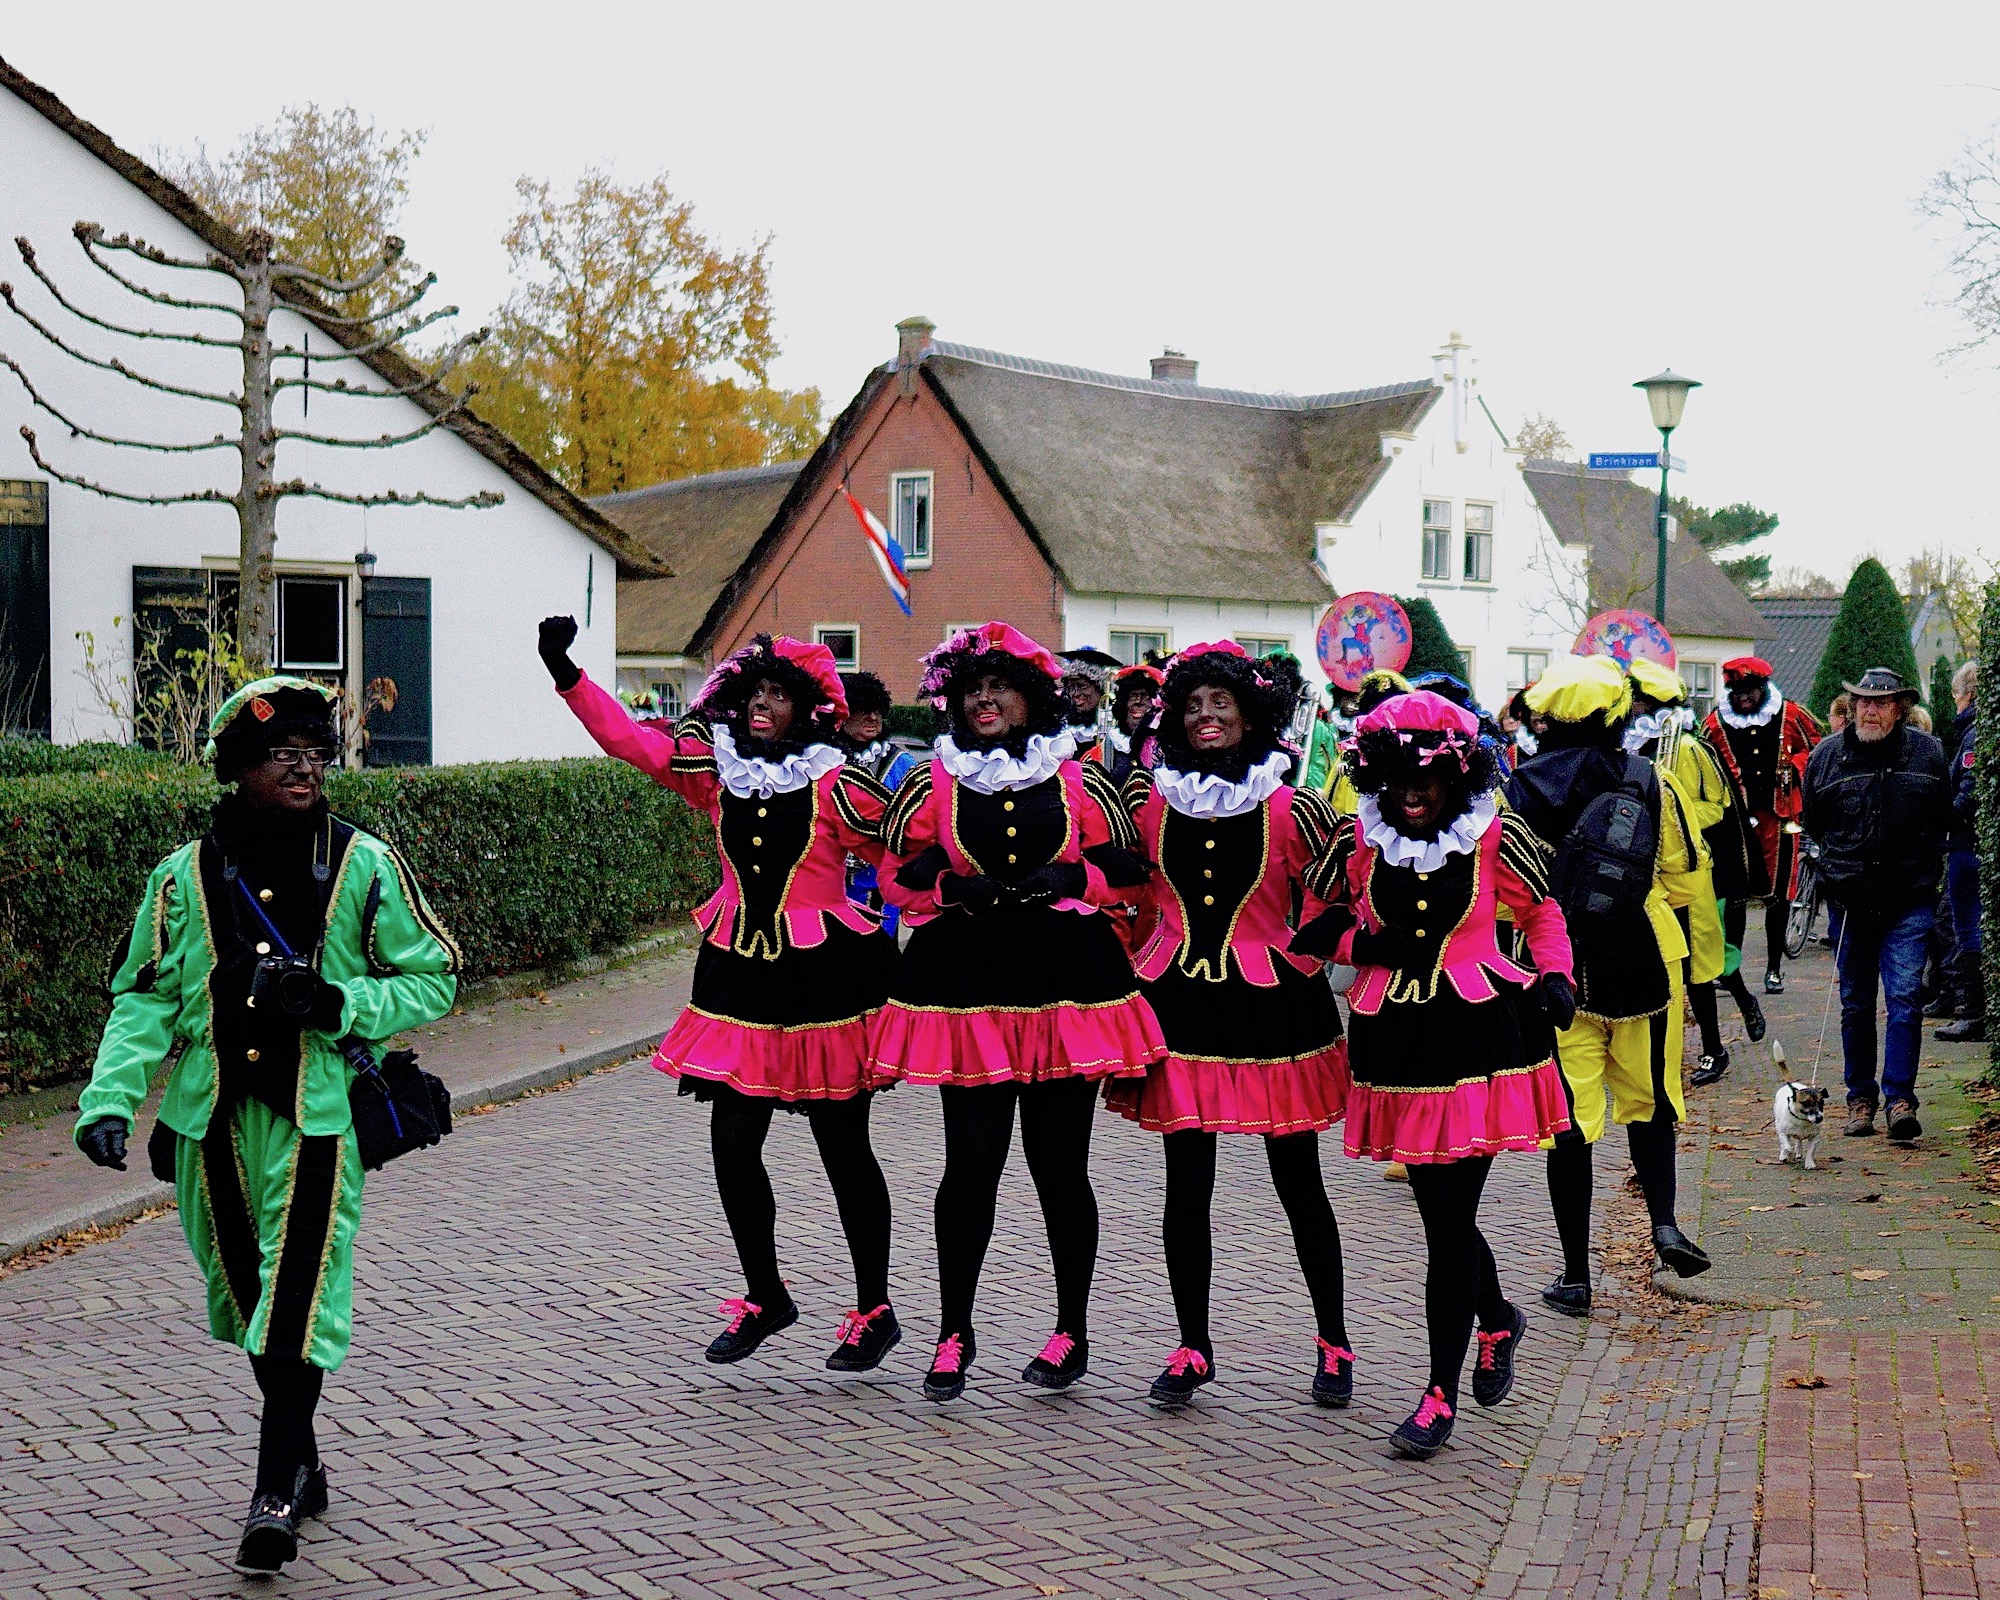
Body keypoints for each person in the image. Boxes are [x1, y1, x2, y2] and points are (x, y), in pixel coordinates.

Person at [73, 677, 459, 1575]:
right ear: (240, 766)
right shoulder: (182, 876)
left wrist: (340, 1001)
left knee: (296, 1303)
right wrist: (109, 1100)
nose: (304, 768)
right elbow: (143, 998)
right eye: (283, 754)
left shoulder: (364, 863)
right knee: (250, 1298)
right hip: (207, 1125)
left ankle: (271, 1497)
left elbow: (436, 976)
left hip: (316, 1122)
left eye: (317, 754)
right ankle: (303, 1458)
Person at [539, 620, 905, 1370]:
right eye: (754, 693)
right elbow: (629, 741)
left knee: (844, 1151)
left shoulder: (839, 786)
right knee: (734, 1146)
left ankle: (875, 1309)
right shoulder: (718, 774)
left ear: (808, 708)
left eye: (778, 694)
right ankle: (766, 1295)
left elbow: (906, 856)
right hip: (739, 977)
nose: (762, 704)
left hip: (825, 978)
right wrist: (567, 674)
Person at [871, 622, 1164, 1402]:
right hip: (969, 988)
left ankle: (1071, 1332)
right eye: (973, 690)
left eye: (999, 687)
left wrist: (1074, 879)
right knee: (970, 1166)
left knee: (1058, 1168)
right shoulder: (935, 781)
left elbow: (1129, 873)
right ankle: (953, 1333)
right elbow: (895, 877)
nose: (985, 700)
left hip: (1064, 987)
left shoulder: (1078, 779)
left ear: (1030, 698)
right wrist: (946, 887)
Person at [1295, 689, 1574, 1459]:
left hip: (1482, 1038)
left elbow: (1542, 913)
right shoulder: (1361, 838)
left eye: (1428, 776)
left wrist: (1556, 973)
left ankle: (1438, 1396)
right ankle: (1497, 1318)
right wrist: (1360, 945)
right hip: (1398, 1044)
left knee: (1448, 1224)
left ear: (1458, 776)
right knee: (1439, 1213)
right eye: (1397, 777)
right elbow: (1314, 919)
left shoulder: (1495, 836)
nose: (1412, 790)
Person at [1102, 643, 1353, 1410]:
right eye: (1193, 705)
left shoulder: (1291, 806)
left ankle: (1334, 1342)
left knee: (1298, 1183)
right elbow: (1134, 896)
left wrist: (1310, 947)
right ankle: (1192, 1347)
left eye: (1221, 703)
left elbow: (1337, 892)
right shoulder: (1153, 802)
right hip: (1179, 1006)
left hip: (1273, 1008)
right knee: (1186, 1186)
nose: (1206, 716)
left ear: (1251, 713)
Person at [1508, 655, 1710, 1316]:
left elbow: (1507, 890)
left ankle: (1575, 1276)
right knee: (1653, 1101)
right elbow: (1687, 875)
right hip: (1646, 957)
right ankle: (1665, 1225)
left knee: (1569, 1120)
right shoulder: (1650, 778)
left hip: (1556, 969)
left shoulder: (1518, 786)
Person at [1800, 667, 1952, 1141]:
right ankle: (1860, 1099)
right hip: (1850, 900)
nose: (1869, 710)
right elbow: (1815, 824)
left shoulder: (1928, 754)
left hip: (1909, 898)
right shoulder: (1826, 757)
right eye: (1862, 702)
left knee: (1905, 999)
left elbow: (1941, 820)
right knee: (1856, 1003)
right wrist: (1837, 874)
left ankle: (1900, 1099)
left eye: (1880, 703)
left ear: (1900, 709)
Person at [1624, 660, 1743, 1086]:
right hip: (1645, 870)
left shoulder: (1689, 749)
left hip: (1686, 871)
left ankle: (1714, 1049)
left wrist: (1675, 816)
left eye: (1637, 702)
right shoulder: (1631, 746)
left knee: (1696, 967)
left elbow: (1718, 805)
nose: (1631, 709)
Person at [1702, 657, 1822, 996]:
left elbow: (1815, 749)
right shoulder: (1715, 723)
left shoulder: (1791, 714)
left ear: (1763, 688)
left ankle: (1773, 968)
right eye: (1737, 692)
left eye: (1749, 691)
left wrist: (1793, 767)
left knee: (1779, 895)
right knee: (1735, 894)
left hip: (1779, 819)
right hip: (1735, 821)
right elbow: (1702, 760)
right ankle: (1730, 969)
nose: (1743, 698)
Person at [838, 670, 918, 936]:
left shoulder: (902, 765)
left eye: (877, 711)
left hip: (881, 890)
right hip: (829, 889)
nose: (873, 718)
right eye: (863, 710)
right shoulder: (821, 761)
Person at [1936, 661, 1983, 1042]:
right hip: (1970, 842)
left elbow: (1969, 792)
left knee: (1966, 926)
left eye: (1955, 694)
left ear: (1968, 694)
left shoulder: (1973, 736)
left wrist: (1940, 819)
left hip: (1966, 844)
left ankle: (1974, 1013)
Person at [1093, 661, 1164, 788]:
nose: (1138, 701)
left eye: (1145, 696)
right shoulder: (1110, 744)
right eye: (1133, 696)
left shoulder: (1164, 746)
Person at [1059, 651, 1114, 758]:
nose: (1075, 694)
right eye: (1070, 688)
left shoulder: (1114, 722)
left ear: (1099, 686)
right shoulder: (1063, 723)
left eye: (1081, 686)